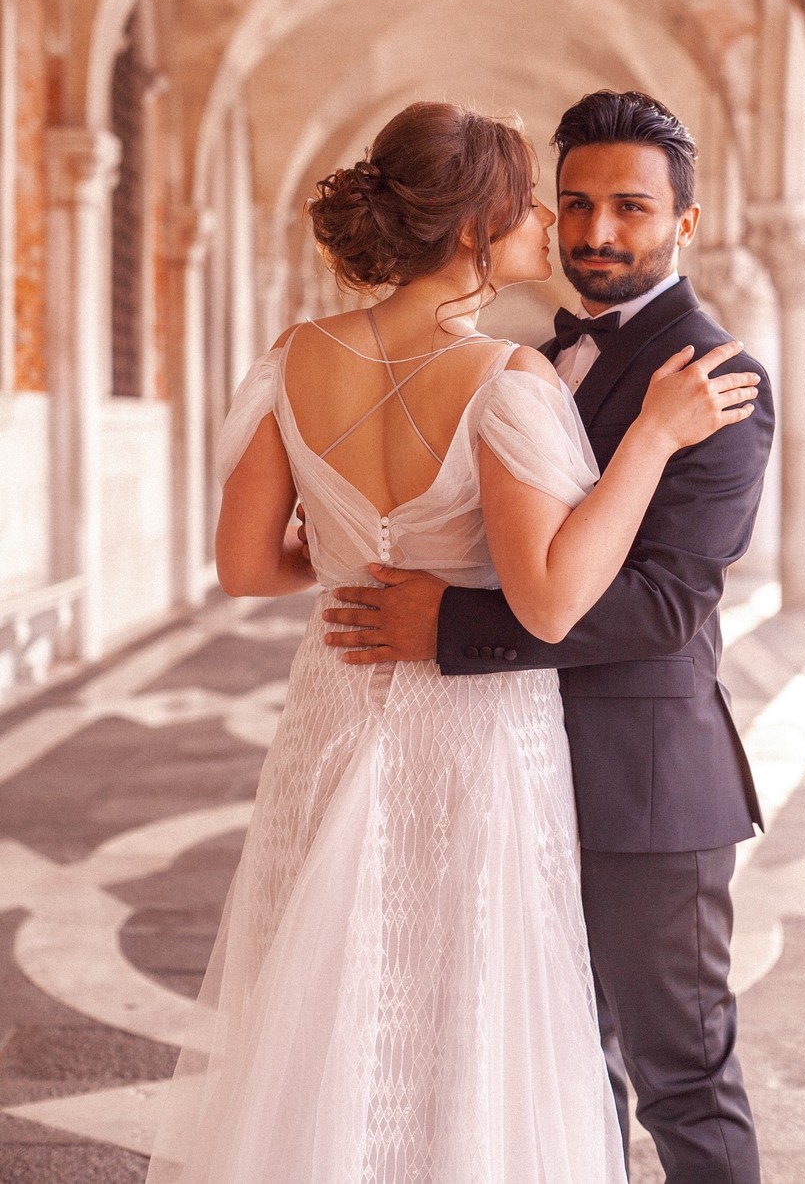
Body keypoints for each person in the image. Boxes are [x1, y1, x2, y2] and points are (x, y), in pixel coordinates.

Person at [144, 100, 759, 1184]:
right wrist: (650, 441)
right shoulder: (503, 377)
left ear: (684, 221)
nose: (569, 226)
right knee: (482, 1035)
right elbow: (554, 600)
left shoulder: (294, 355)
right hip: (476, 743)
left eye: (620, 207)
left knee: (350, 1017)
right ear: (479, 229)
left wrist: (353, 565)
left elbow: (244, 568)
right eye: (548, 201)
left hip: (340, 717)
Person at [321, 91, 775, 1184]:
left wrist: (454, 625)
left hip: (644, 789)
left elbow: (669, 603)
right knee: (560, 1070)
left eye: (629, 206)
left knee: (682, 1077)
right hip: (507, 765)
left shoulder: (715, 382)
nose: (596, 233)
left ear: (686, 222)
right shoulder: (522, 356)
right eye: (573, 204)